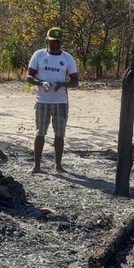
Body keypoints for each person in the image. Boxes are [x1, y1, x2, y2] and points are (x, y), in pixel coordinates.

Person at [26, 27, 79, 173]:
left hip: (60, 101)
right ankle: (37, 165)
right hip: (42, 100)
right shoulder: (38, 55)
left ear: (61, 42)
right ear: (47, 41)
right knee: (40, 133)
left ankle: (58, 165)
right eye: (52, 42)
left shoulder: (67, 58)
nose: (55, 45)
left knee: (59, 134)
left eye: (57, 42)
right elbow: (28, 77)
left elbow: (75, 81)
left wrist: (63, 84)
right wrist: (41, 83)